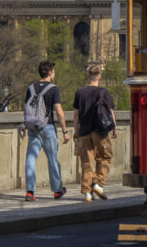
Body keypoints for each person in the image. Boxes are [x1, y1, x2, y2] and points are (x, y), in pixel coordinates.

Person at [21, 60, 69, 202]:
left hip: (33, 128)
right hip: (47, 127)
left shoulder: (31, 88)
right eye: (53, 71)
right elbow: (59, 112)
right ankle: (57, 190)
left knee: (30, 158)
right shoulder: (53, 89)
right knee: (52, 159)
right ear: (49, 72)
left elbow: (27, 108)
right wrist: (65, 132)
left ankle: (30, 192)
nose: (54, 73)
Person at [73, 65, 116, 202]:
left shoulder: (80, 92)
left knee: (87, 162)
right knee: (105, 157)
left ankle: (87, 193)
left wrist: (76, 131)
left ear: (88, 76)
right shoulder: (103, 92)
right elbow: (110, 112)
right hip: (100, 131)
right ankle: (98, 184)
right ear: (100, 77)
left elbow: (76, 114)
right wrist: (114, 127)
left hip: (84, 131)